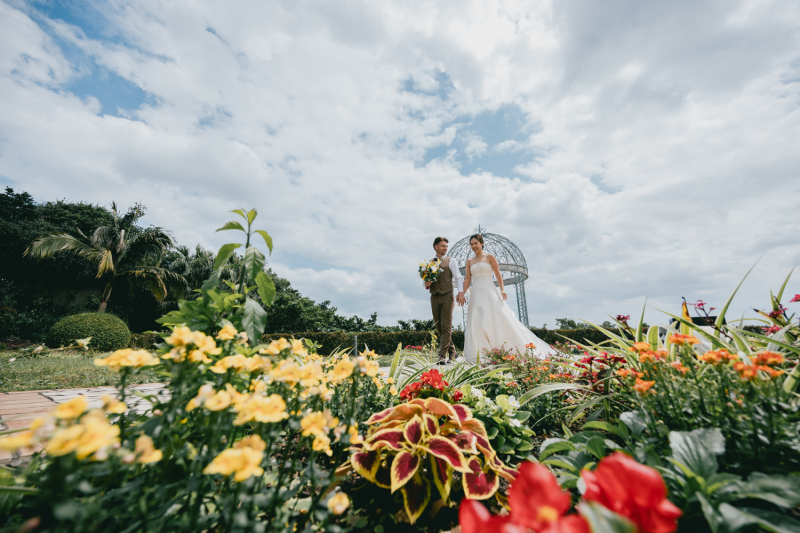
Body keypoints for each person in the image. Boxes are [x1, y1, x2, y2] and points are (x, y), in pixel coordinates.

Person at [462, 234, 555, 363]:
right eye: (471, 244)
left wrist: (502, 289)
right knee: (477, 320)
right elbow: (467, 279)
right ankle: (482, 354)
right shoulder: (469, 261)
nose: (473, 246)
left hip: (489, 290)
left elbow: (497, 273)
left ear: (482, 243)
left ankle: (505, 347)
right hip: (476, 293)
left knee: (497, 316)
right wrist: (461, 292)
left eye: (475, 243)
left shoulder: (489, 257)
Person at [424, 237, 465, 364]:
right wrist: (427, 283)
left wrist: (460, 292)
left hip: (447, 295)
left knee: (446, 326)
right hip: (434, 296)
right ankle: (453, 352)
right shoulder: (429, 263)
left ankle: (442, 355)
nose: (445, 248)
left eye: (446, 246)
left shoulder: (451, 261)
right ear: (436, 247)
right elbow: (425, 284)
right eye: (443, 246)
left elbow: (458, 277)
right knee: (439, 326)